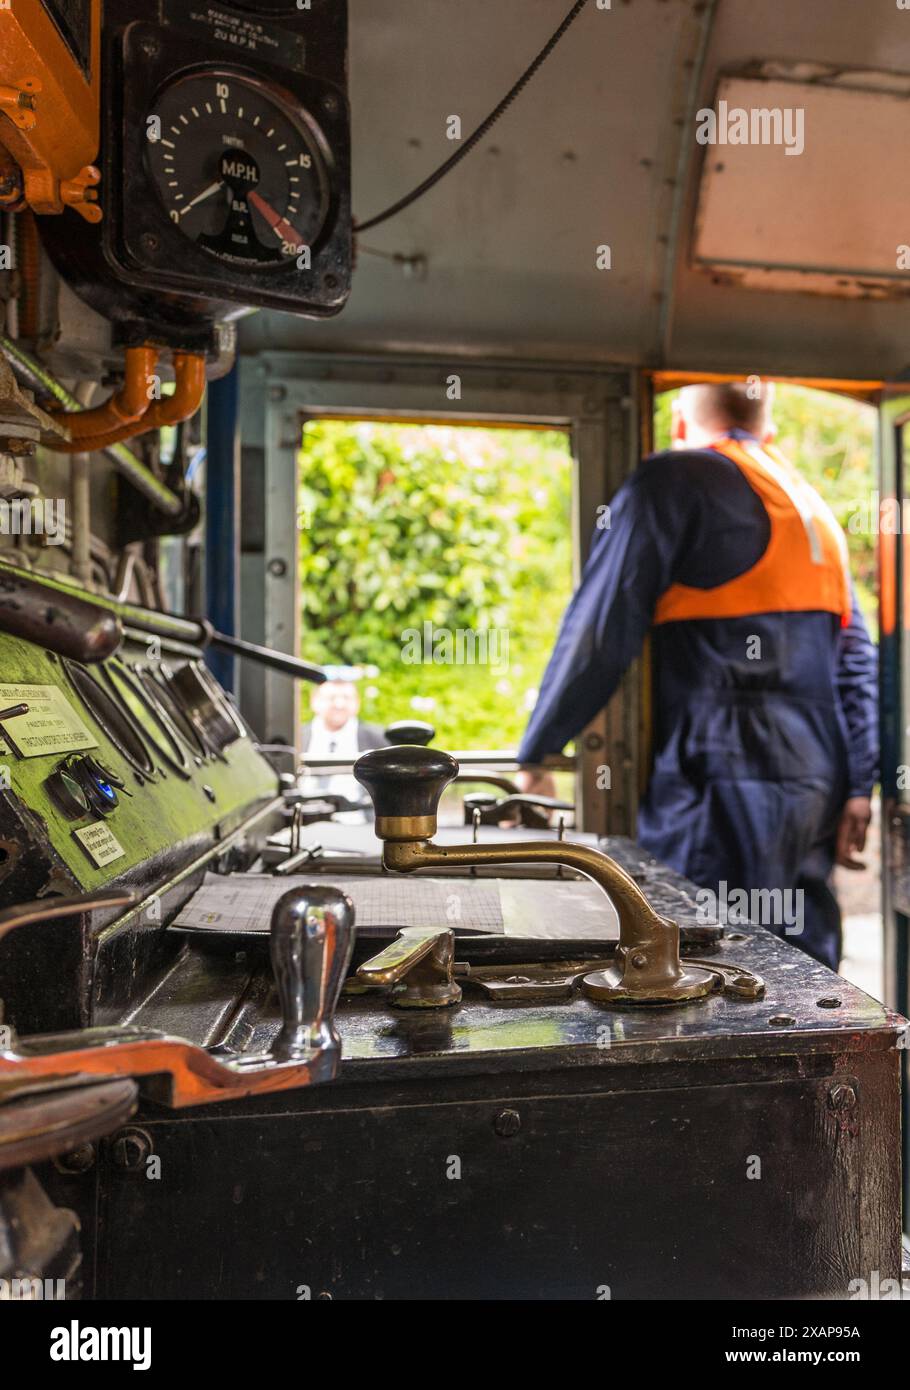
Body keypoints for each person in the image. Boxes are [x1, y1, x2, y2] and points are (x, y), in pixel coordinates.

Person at [515, 382, 877, 970]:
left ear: (680, 418)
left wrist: (538, 749)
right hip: (816, 780)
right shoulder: (811, 504)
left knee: (703, 965)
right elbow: (857, 658)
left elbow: (603, 626)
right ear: (771, 428)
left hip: (722, 771)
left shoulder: (676, 480)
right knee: (803, 967)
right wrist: (860, 784)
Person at [300, 676, 386, 816]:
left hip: (359, 826)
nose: (339, 704)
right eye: (331, 698)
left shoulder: (379, 740)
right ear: (314, 701)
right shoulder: (296, 736)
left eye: (346, 698)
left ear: (357, 703)